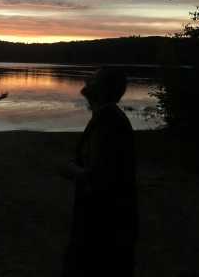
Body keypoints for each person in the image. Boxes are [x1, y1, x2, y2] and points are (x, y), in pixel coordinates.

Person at [59, 68, 138, 277]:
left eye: (93, 79)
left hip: (103, 223)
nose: (87, 81)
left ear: (102, 89)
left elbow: (98, 177)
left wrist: (70, 169)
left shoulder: (109, 121)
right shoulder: (106, 116)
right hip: (101, 217)